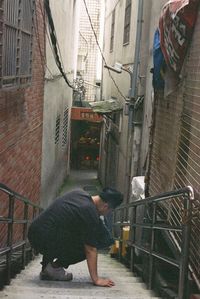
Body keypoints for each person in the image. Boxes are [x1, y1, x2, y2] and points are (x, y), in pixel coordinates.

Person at [28, 187, 123, 287]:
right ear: (105, 206)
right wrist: (96, 279)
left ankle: (47, 268)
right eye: (110, 211)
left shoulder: (79, 193)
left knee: (70, 229)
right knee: (90, 243)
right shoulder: (89, 212)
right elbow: (90, 249)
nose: (107, 214)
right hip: (41, 238)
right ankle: (54, 268)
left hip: (36, 231)